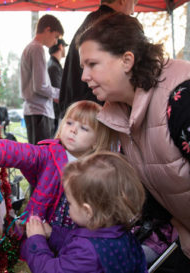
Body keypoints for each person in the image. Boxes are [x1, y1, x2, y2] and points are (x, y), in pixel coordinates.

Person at [77, 12, 190, 267]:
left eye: (92, 64)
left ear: (127, 60)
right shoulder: (120, 112)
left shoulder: (181, 99)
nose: (84, 76)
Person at [0, 100, 117, 251]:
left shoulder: (99, 171)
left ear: (97, 141)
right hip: (39, 233)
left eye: (84, 128)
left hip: (77, 240)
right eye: (69, 123)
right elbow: (17, 152)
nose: (73, 130)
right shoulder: (48, 154)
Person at [24, 151, 147, 272]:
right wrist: (53, 233)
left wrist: (36, 240)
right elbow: (78, 241)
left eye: (70, 203)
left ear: (88, 211)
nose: (68, 206)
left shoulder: (87, 253)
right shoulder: (123, 236)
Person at [58, 0, 137, 119]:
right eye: (134, 3)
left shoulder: (88, 24)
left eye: (93, 64)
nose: (133, 11)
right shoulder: (113, 25)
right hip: (93, 118)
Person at [20, 14, 64, 145]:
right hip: (40, 111)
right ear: (47, 30)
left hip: (33, 110)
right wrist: (60, 94)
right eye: (56, 36)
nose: (56, 42)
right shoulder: (37, 48)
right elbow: (40, 86)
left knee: (35, 156)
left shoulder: (29, 48)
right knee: (41, 157)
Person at [47, 38, 68, 133]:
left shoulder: (53, 65)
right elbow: (58, 94)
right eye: (64, 47)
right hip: (56, 114)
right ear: (60, 46)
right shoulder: (53, 67)